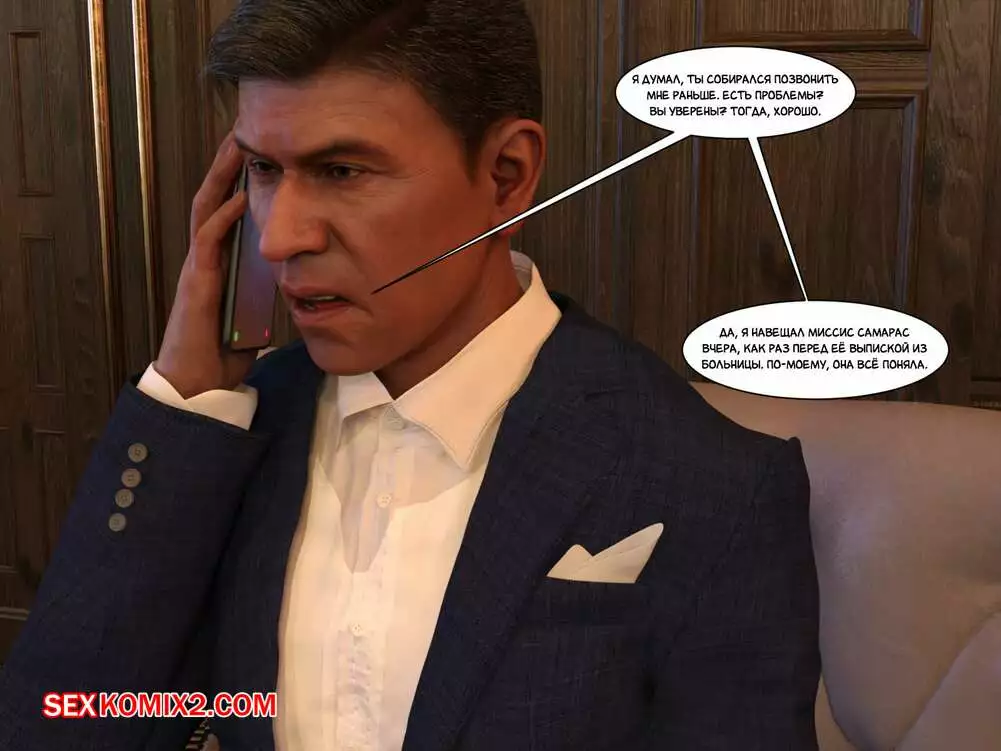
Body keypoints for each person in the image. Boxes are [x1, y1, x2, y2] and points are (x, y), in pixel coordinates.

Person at [0, 1, 820, 749]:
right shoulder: (221, 441)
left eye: (341, 171)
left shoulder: (713, 481)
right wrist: (183, 397)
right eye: (262, 170)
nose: (279, 237)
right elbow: (62, 724)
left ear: (506, 176)